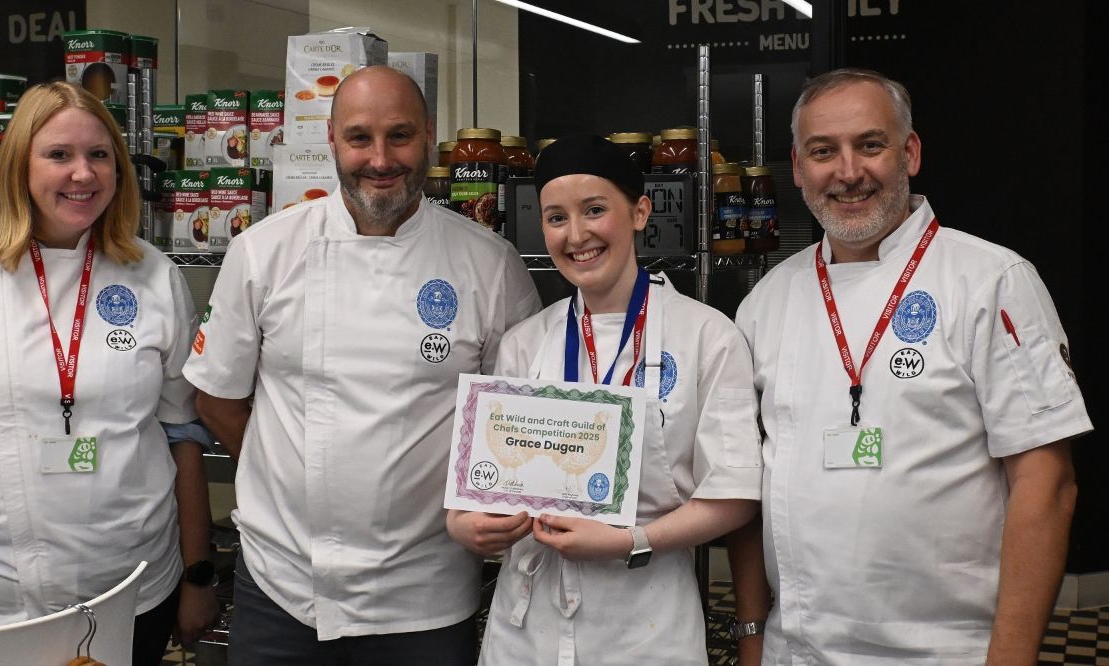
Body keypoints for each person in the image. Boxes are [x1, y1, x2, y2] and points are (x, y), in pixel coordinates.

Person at [730, 68, 1092, 664]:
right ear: (797, 168)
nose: (848, 173)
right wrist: (752, 639)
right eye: (824, 152)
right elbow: (745, 487)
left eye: (870, 145)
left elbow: (1047, 486)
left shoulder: (991, 281)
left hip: (951, 651)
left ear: (910, 152)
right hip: (798, 649)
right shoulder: (765, 302)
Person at [183, 65, 540, 665]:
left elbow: (514, 424)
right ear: (331, 140)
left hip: (424, 592)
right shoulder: (264, 252)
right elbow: (215, 399)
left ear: (429, 136)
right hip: (285, 584)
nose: (379, 158)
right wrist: (283, 476)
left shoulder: (490, 265)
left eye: (399, 136)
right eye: (359, 138)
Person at [0, 81, 220, 663]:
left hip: (130, 591)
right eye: (59, 155)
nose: (83, 173)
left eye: (99, 155)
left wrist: (198, 577)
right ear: (17, 165)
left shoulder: (152, 276)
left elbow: (183, 438)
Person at [449, 134, 762, 665]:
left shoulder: (708, 337)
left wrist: (630, 540)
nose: (576, 235)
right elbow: (479, 489)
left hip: (646, 628)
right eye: (555, 217)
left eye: (595, 210)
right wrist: (468, 527)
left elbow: (735, 495)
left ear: (640, 212)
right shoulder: (525, 342)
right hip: (527, 631)